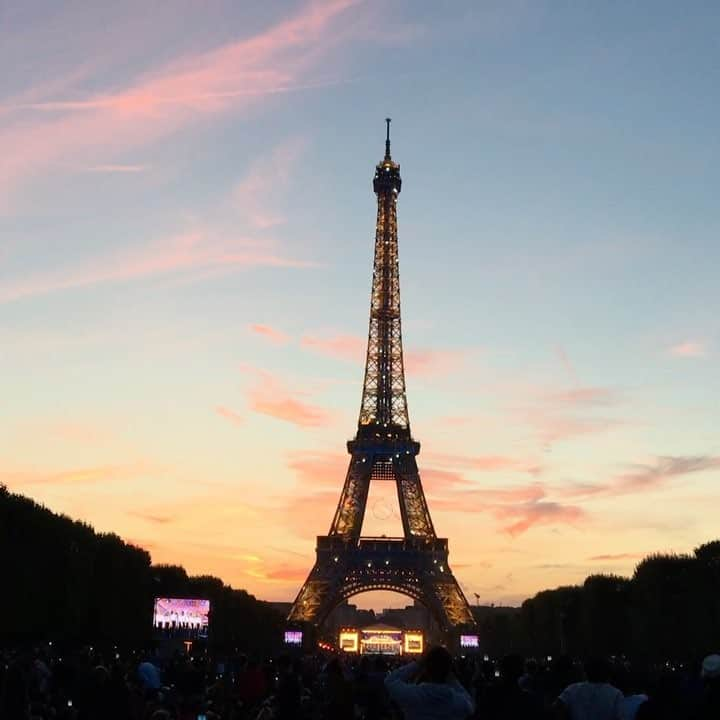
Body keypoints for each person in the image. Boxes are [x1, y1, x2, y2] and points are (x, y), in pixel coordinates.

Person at [384, 645, 474, 719]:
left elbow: (390, 680)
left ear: (426, 669)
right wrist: (451, 678)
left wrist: (419, 663)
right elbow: (470, 703)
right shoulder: (458, 702)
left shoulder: (412, 695)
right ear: (449, 670)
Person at [554, 658, 623, 720]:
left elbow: (557, 707)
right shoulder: (616, 693)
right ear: (608, 674)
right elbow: (620, 716)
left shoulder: (573, 689)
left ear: (586, 672)